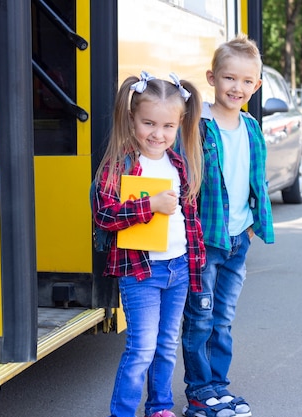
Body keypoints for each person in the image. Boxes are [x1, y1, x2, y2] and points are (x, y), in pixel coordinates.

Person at [93, 71, 206, 417]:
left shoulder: (179, 164)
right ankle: (123, 412)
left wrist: (195, 264)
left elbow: (189, 219)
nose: (158, 134)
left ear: (180, 124)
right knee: (141, 346)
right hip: (140, 272)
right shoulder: (122, 163)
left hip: (178, 269)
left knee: (166, 345)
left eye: (168, 127)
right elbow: (104, 215)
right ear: (132, 119)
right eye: (148, 124)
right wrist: (150, 205)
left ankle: (159, 407)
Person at [180, 34, 275, 417]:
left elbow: (257, 178)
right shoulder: (198, 126)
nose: (237, 87)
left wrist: (252, 223)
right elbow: (185, 180)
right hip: (205, 241)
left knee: (223, 319)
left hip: (238, 239)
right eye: (229, 78)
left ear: (257, 85)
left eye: (246, 81)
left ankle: (218, 387)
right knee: (200, 317)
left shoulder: (251, 127)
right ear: (212, 78)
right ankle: (199, 391)